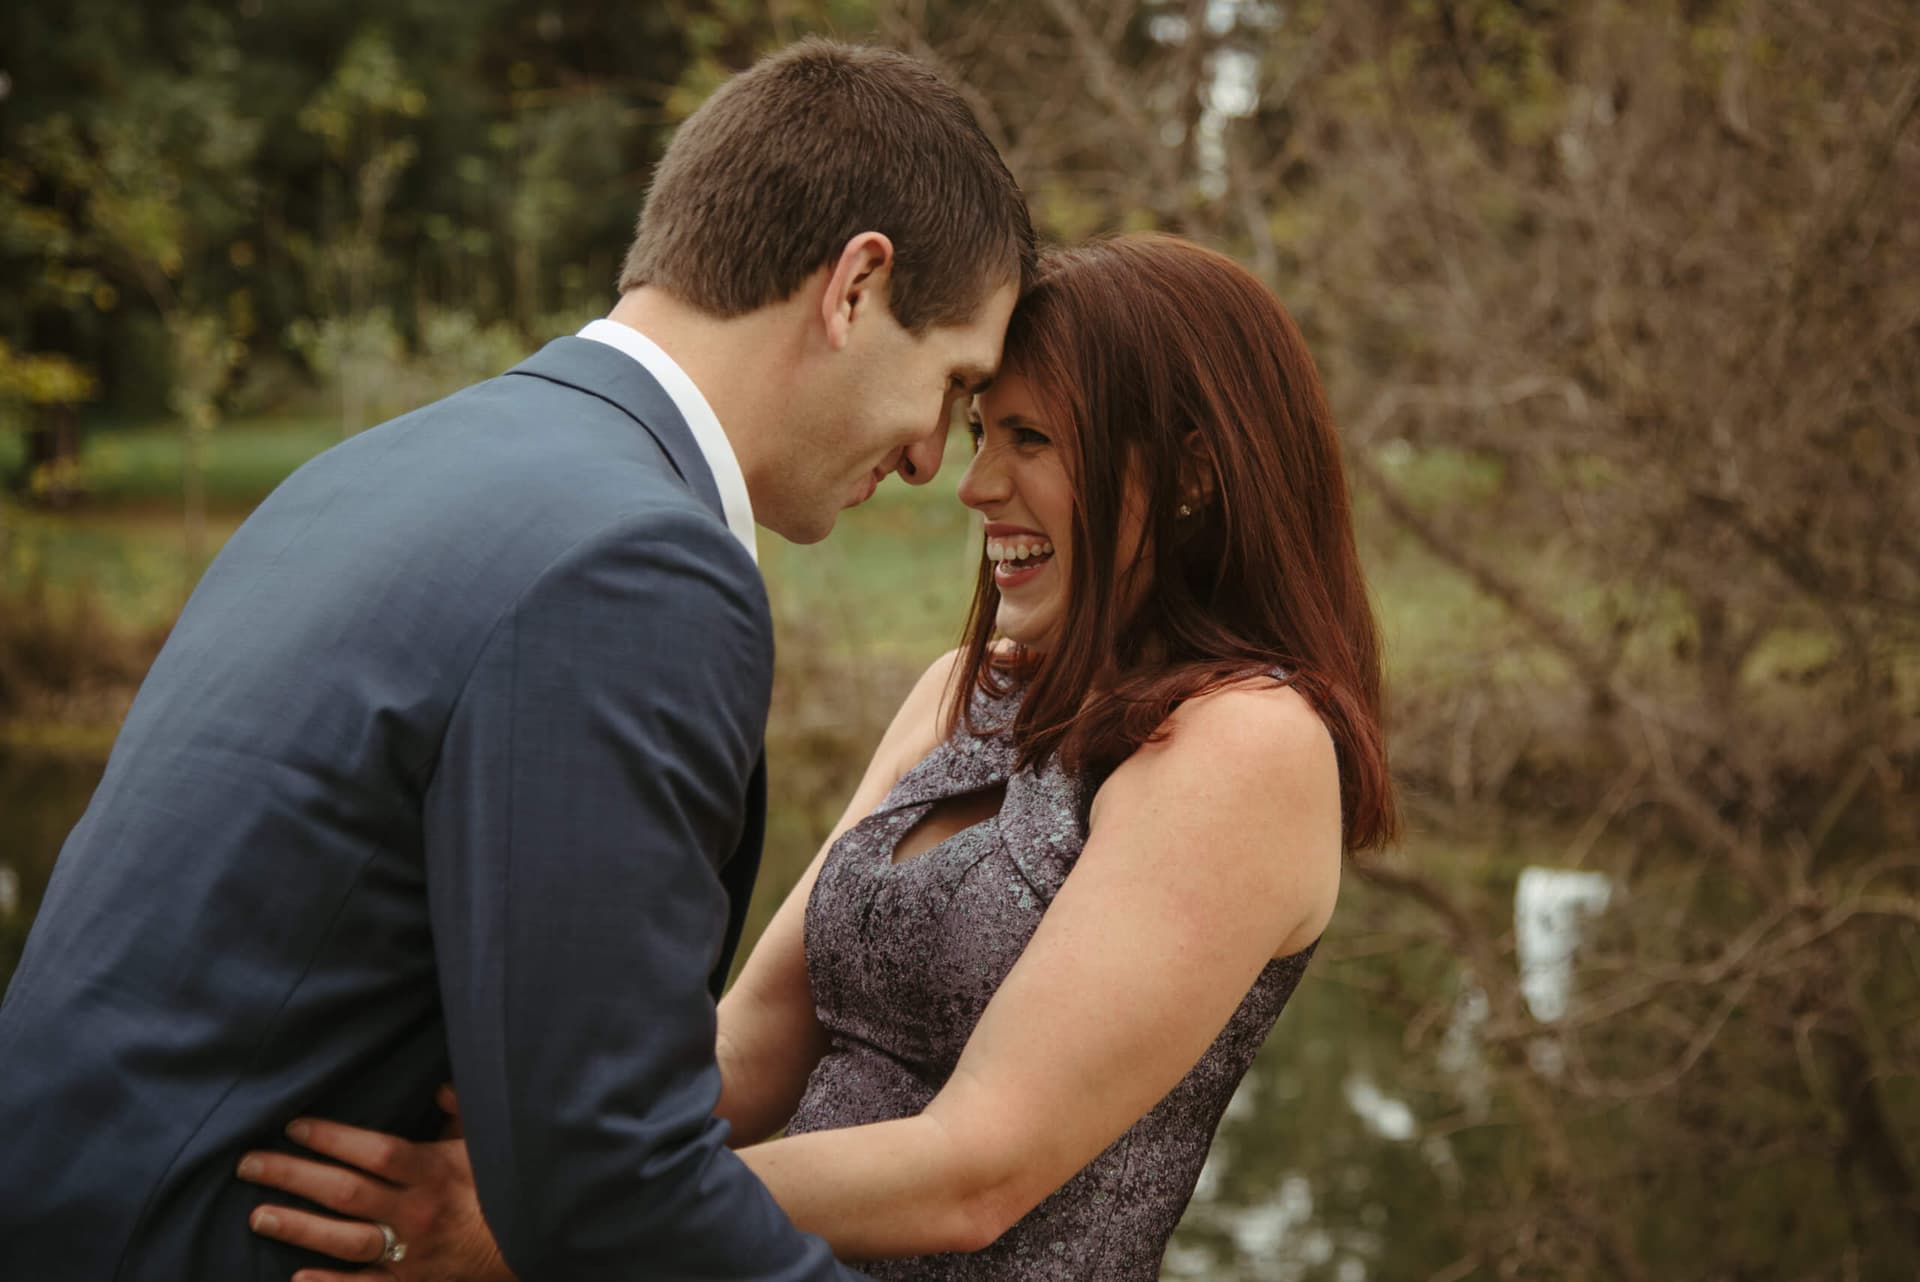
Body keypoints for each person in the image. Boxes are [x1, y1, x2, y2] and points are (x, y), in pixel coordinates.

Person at [0, 39, 1032, 1282]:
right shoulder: (635, 562)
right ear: (856, 286)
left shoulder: (388, 466)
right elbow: (606, 1178)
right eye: (953, 379)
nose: (931, 456)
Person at [237, 233, 1399, 1280]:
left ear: (1192, 475)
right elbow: (747, 1047)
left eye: (1032, 439)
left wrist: (556, 1213)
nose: (977, 482)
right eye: (984, 427)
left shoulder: (1250, 743)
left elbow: (973, 1174)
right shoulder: (966, 692)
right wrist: (488, 1123)